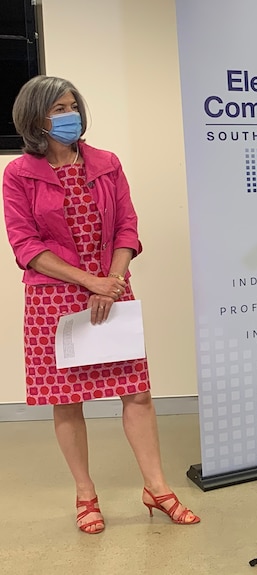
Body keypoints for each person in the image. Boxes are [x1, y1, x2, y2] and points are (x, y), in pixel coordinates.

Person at [2, 76, 199, 533]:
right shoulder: (18, 174)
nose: (70, 115)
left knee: (137, 392)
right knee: (67, 400)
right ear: (35, 118)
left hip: (112, 289)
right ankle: (85, 494)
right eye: (58, 109)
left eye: (73, 105)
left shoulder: (107, 163)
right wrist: (90, 281)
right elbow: (25, 245)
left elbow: (127, 227)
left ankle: (157, 487)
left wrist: (111, 279)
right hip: (55, 299)